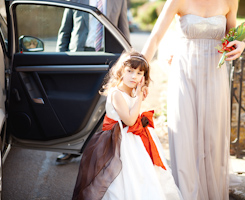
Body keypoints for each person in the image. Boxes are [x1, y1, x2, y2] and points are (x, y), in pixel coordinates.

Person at [141, 0, 245, 199]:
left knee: (213, 137)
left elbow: (233, 36)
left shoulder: (230, 1)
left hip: (215, 75)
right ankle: (186, 195)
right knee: (184, 134)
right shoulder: (177, 1)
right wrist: (140, 72)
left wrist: (241, 44)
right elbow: (155, 37)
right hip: (184, 74)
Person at [72, 50, 183, 200]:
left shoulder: (132, 91)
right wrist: (138, 98)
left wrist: (137, 96)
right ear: (121, 71)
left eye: (139, 73)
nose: (134, 76)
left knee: (144, 175)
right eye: (130, 71)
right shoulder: (116, 93)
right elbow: (130, 121)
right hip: (118, 142)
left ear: (144, 77)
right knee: (121, 178)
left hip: (134, 139)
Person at [56, 0, 130, 163]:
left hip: (108, 59)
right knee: (75, 105)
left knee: (104, 107)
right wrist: (58, 62)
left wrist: (129, 62)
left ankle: (99, 150)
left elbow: (123, 30)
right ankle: (69, 147)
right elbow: (65, 31)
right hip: (79, 58)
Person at [56, 0, 130, 52]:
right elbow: (65, 31)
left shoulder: (120, 1)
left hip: (107, 54)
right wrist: (59, 58)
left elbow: (123, 30)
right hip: (79, 52)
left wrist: (128, 53)